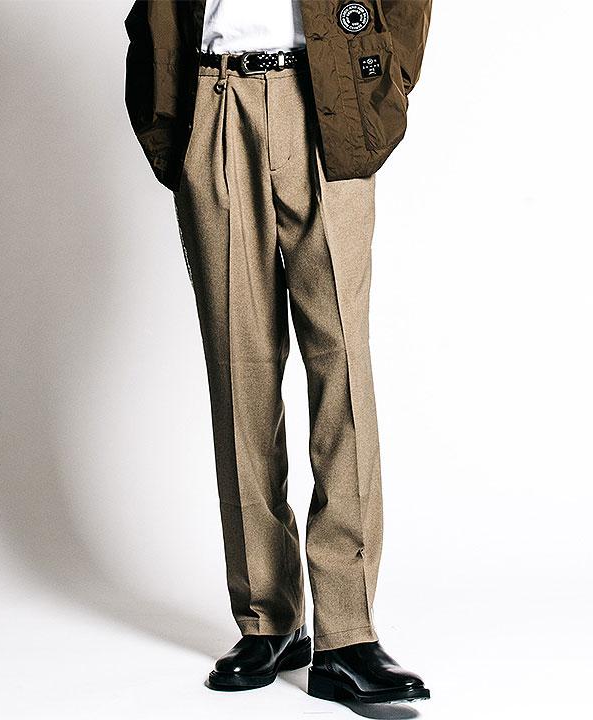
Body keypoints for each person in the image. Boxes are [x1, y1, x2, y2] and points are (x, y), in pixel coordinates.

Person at [124, 0, 433, 706]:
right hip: (214, 98)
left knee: (342, 365)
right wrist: (169, 120)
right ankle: (267, 618)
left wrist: (385, 85)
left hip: (328, 96)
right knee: (241, 368)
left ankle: (347, 635)